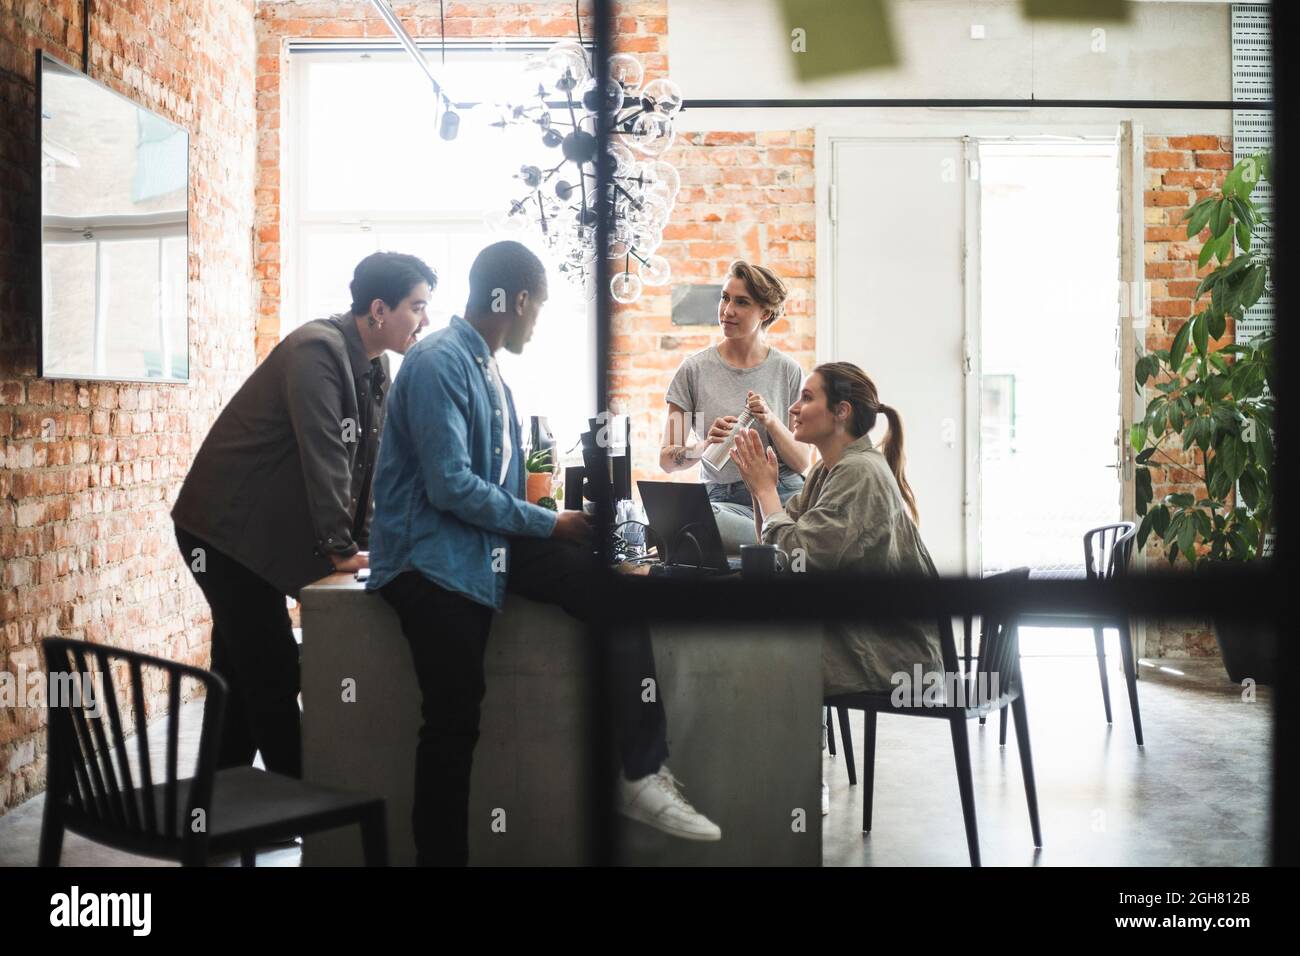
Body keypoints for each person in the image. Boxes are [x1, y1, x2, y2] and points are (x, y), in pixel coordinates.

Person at [367, 240, 721, 866]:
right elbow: (450, 487)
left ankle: (639, 773)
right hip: (431, 562)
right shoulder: (439, 362)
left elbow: (492, 491)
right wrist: (547, 522)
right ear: (520, 300)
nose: (538, 321)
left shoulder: (488, 373)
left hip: (479, 546)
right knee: (452, 726)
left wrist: (555, 523)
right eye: (540, 308)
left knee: (610, 593)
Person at [172, 251, 435, 777]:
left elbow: (370, 466)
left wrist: (367, 542)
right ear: (379, 310)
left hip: (257, 540)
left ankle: (216, 817)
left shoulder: (375, 364)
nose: (426, 321)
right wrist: (341, 549)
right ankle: (308, 809)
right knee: (271, 671)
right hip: (221, 534)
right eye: (418, 306)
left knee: (240, 670)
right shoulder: (317, 350)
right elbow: (326, 455)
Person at [729, 361, 945, 815]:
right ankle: (770, 774)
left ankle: (781, 781)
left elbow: (799, 557)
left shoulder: (859, 472)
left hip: (898, 654)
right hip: (866, 631)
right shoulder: (831, 470)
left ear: (841, 412)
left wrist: (768, 494)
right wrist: (758, 489)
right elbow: (783, 547)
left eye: (807, 397)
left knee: (766, 647)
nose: (794, 406)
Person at [659, 260, 810, 553]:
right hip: (722, 501)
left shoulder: (788, 371)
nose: (727, 310)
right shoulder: (692, 371)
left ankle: (781, 538)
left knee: (693, 533)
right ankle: (786, 542)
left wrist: (770, 420)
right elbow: (666, 459)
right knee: (693, 521)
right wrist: (703, 447)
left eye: (741, 302)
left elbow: (802, 461)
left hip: (782, 495)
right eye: (725, 297)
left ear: (765, 312)